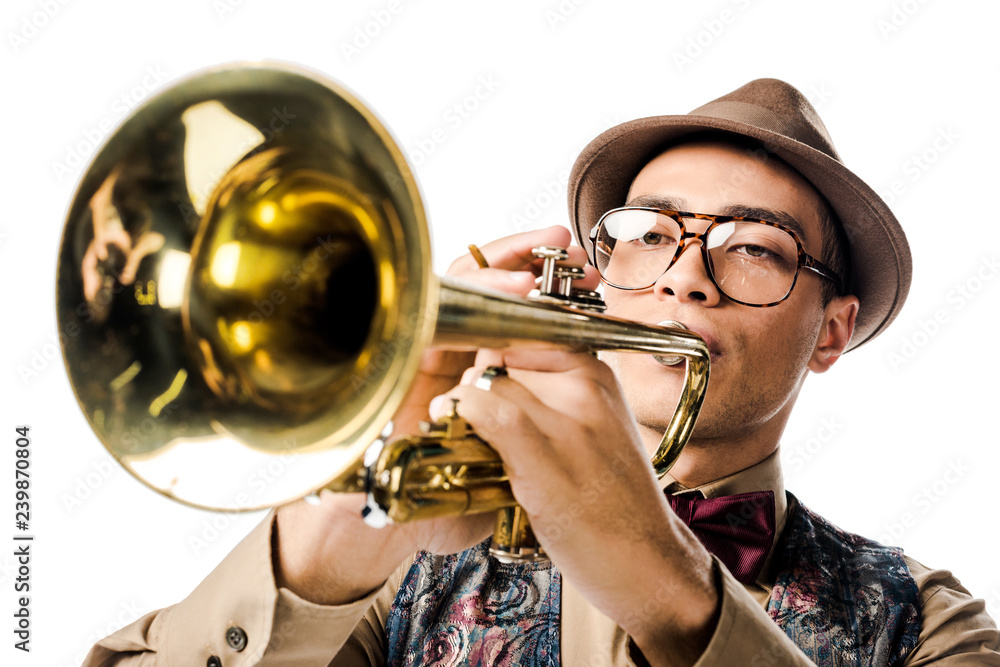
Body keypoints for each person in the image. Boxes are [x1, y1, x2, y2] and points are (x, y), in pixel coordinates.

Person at [83, 79, 1000, 666]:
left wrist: (665, 579)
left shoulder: (928, 621)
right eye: (649, 236)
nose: (684, 272)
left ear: (832, 331)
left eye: (754, 246)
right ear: (594, 281)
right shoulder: (411, 565)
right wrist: (332, 536)